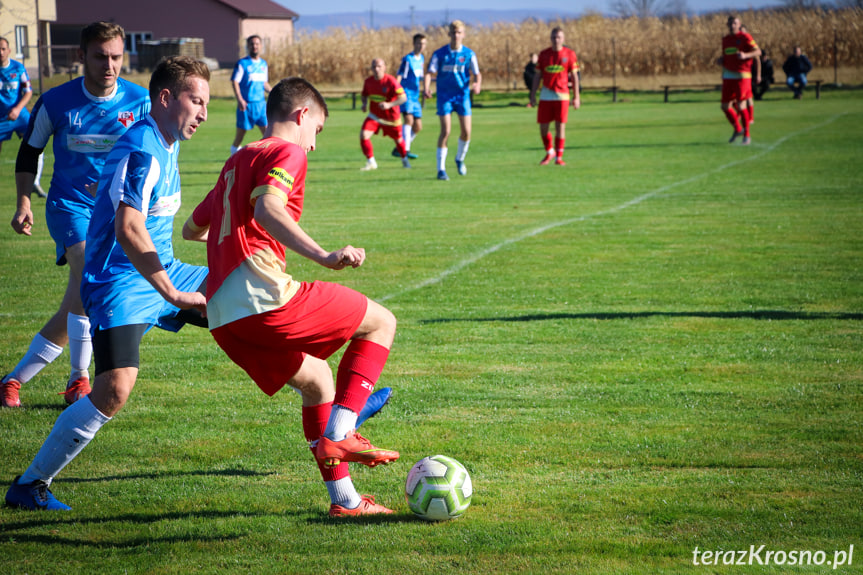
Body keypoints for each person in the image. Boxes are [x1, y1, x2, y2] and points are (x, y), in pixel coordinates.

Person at [182, 77, 400, 517]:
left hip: (223, 316)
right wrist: (323, 255)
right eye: (316, 130)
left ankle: (347, 502)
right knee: (381, 322)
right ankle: (341, 431)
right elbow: (268, 208)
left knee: (319, 382)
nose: (313, 146)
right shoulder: (289, 150)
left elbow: (192, 228)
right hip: (260, 298)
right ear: (302, 116)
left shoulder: (237, 160)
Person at [4, 56, 212, 511]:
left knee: (251, 299)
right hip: (117, 282)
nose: (204, 113)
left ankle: (334, 410)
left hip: (163, 267)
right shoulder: (143, 149)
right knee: (113, 390)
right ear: (164, 98)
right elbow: (128, 229)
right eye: (196, 101)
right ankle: (30, 485)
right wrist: (173, 295)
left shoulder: (166, 139)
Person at [2, 22, 151, 409]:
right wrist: (23, 201)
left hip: (116, 214)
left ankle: (14, 379)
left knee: (79, 300)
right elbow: (29, 152)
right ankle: (78, 379)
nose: (110, 64)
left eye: (117, 56)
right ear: (82, 56)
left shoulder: (140, 102)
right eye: (101, 56)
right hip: (69, 206)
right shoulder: (56, 102)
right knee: (89, 275)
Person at [423, 20, 482, 181]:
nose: (456, 35)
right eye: (453, 32)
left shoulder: (469, 54)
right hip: (444, 96)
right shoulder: (440, 54)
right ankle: (441, 170)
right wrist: (427, 88)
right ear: (449, 34)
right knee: (446, 131)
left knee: (466, 132)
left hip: (462, 96)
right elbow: (429, 73)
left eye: (459, 32)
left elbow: (477, 74)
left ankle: (459, 158)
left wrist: (477, 84)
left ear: (463, 34)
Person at [0, 37, 45, 197]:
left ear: (9, 50)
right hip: (1, 118)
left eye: (3, 48)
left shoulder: (18, 68)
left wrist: (18, 109)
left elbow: (28, 91)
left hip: (20, 115)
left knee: (37, 143)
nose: (0, 52)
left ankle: (35, 182)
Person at [529, 27, 580, 166]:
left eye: (558, 37)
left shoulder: (569, 54)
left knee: (560, 126)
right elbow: (537, 75)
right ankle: (550, 151)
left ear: (563, 39)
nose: (556, 40)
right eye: (553, 37)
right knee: (543, 128)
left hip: (562, 95)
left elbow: (574, 76)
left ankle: (559, 156)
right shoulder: (544, 54)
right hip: (546, 94)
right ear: (550, 39)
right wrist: (532, 95)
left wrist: (576, 97)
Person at [359, 58, 409, 171]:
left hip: (391, 118)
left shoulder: (391, 81)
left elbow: (403, 98)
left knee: (399, 140)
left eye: (379, 66)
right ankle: (371, 162)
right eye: (374, 67)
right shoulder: (368, 82)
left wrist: (389, 105)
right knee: (363, 135)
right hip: (375, 116)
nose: (376, 69)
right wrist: (364, 104)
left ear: (384, 67)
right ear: (371, 68)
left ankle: (404, 159)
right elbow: (364, 94)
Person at [719, 15, 760, 145]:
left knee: (742, 104)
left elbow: (758, 52)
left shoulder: (745, 37)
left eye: (735, 23)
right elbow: (727, 55)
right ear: (727, 25)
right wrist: (721, 60)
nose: (732, 26)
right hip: (728, 75)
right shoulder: (725, 40)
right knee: (725, 106)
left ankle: (747, 135)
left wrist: (746, 55)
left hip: (742, 75)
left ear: (739, 24)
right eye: (730, 23)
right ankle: (738, 128)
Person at [230, 35, 272, 155]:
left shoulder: (263, 64)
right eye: (252, 44)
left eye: (257, 44)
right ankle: (233, 157)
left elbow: (264, 83)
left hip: (261, 105)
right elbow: (235, 81)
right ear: (248, 46)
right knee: (240, 135)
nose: (255, 46)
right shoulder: (242, 63)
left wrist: (274, 91)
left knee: (268, 134)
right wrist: (240, 99)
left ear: (261, 46)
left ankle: (268, 157)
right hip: (246, 105)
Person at [395, 33, 426, 160]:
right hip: (406, 93)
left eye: (423, 43)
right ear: (414, 44)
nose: (421, 46)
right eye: (419, 43)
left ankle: (400, 147)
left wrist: (427, 87)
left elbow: (421, 76)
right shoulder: (408, 59)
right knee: (409, 120)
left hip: (415, 96)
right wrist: (396, 90)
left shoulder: (422, 59)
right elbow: (400, 75)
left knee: (418, 126)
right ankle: (405, 150)